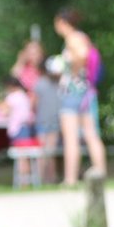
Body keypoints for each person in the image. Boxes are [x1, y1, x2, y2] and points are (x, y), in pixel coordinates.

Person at [53, 8, 107, 185]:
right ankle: (101, 173)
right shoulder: (83, 37)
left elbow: (82, 56)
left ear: (62, 22)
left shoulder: (72, 38)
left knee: (71, 137)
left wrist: (71, 67)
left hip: (73, 93)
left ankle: (70, 179)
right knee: (91, 134)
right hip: (86, 92)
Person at [34, 55, 64, 185]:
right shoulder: (57, 83)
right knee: (47, 152)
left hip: (48, 121)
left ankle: (44, 179)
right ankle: (45, 179)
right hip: (49, 121)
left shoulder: (42, 83)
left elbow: (34, 103)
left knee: (46, 152)